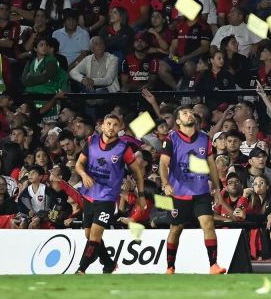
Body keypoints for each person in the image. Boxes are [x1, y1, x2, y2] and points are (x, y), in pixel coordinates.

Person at [155, 88, 226, 275]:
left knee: (208, 224)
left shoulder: (204, 138)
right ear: (178, 121)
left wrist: (217, 188)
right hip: (180, 193)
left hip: (201, 191)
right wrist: (165, 183)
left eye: (190, 112)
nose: (189, 114)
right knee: (176, 229)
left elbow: (211, 164)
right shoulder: (171, 139)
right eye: (185, 113)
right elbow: (163, 164)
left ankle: (213, 265)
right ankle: (170, 267)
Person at [74, 113, 147, 274]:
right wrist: (84, 175)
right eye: (108, 124)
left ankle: (81, 269)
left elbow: (137, 173)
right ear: (102, 126)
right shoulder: (91, 142)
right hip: (89, 194)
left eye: (115, 125)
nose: (111, 127)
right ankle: (108, 263)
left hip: (107, 197)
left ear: (120, 128)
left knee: (95, 235)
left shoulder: (123, 148)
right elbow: (78, 164)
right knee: (88, 234)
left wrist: (141, 196)